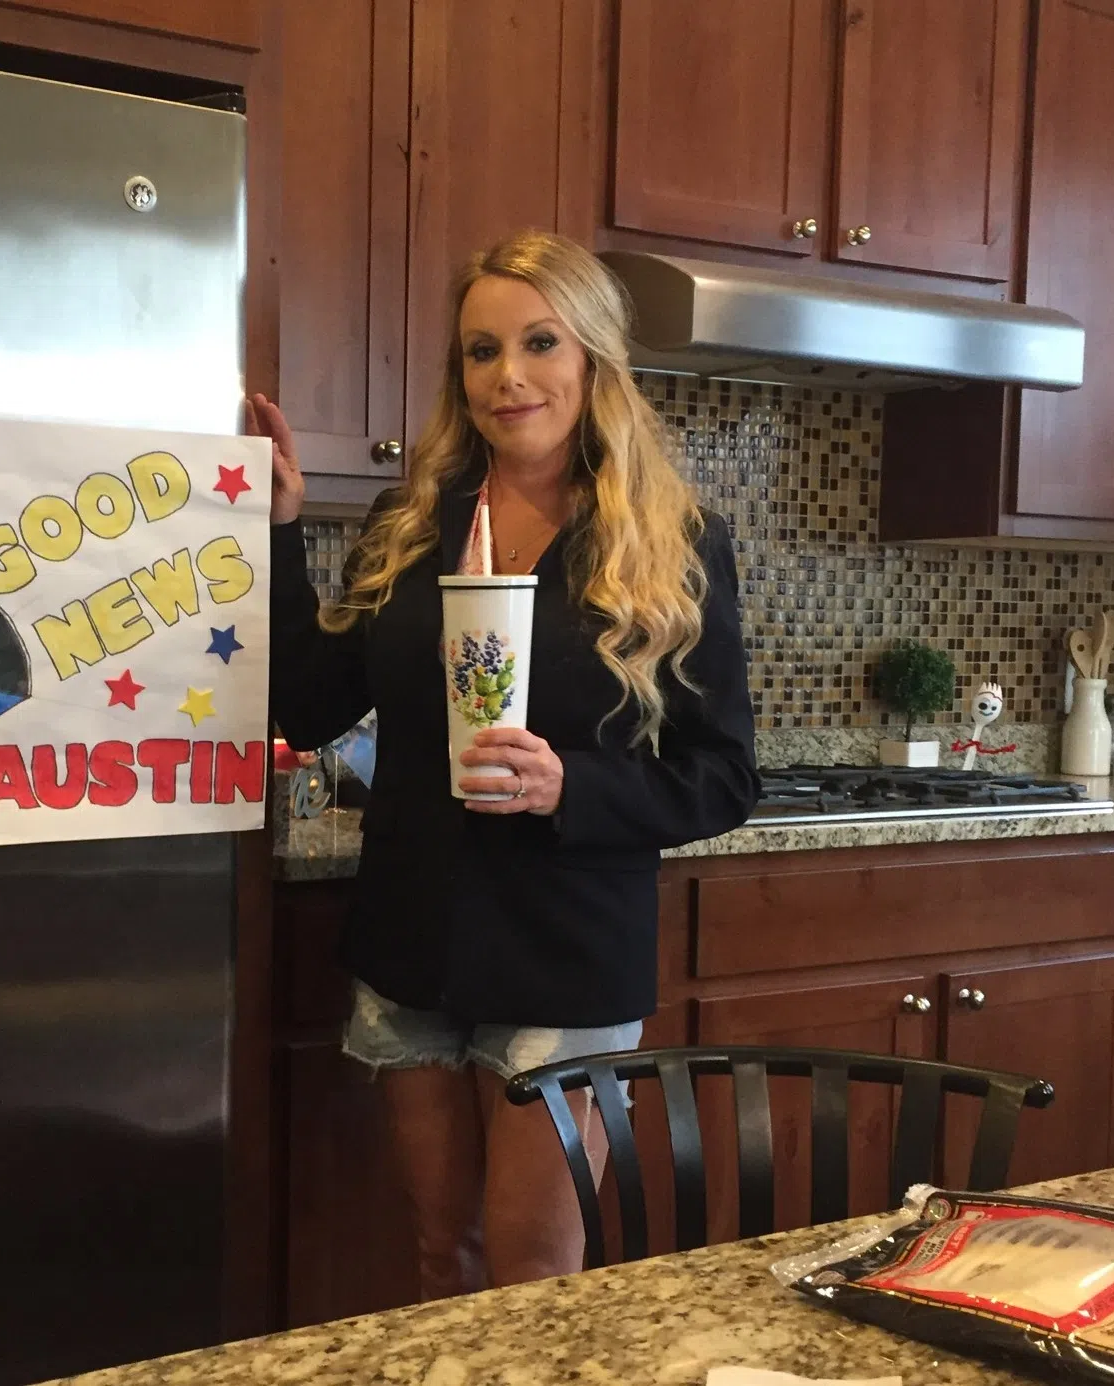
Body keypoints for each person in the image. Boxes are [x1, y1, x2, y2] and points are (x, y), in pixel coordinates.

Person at [249, 229, 758, 1296]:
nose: (508, 377)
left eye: (539, 343)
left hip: (565, 946)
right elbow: (312, 703)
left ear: (593, 360)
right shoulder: (410, 523)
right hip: (414, 938)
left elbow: (721, 776)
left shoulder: (669, 541)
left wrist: (569, 783)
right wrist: (279, 532)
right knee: (444, 1254)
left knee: (533, 1276)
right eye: (481, 351)